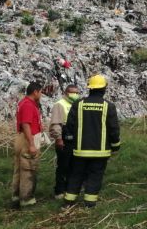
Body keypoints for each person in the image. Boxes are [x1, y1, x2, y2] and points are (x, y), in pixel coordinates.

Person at [63, 75, 121, 208]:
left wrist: (69, 141)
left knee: (76, 174)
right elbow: (114, 129)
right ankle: (89, 203)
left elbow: (69, 125)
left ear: (90, 89)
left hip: (80, 151)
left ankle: (69, 201)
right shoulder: (108, 106)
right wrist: (115, 145)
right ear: (103, 89)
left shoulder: (79, 104)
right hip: (100, 152)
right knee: (95, 175)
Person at [11, 81, 43, 209]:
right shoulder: (28, 105)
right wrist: (31, 144)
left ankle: (16, 196)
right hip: (27, 139)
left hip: (21, 138)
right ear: (35, 92)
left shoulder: (23, 102)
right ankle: (26, 199)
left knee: (19, 168)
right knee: (28, 168)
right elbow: (26, 124)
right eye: (40, 92)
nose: (41, 95)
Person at [49, 84, 80, 199]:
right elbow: (56, 123)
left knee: (73, 166)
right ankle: (59, 191)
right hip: (64, 139)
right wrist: (58, 138)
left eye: (77, 93)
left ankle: (69, 189)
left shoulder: (76, 105)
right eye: (73, 92)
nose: (75, 95)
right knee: (63, 166)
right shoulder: (60, 105)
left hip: (75, 140)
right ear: (66, 93)